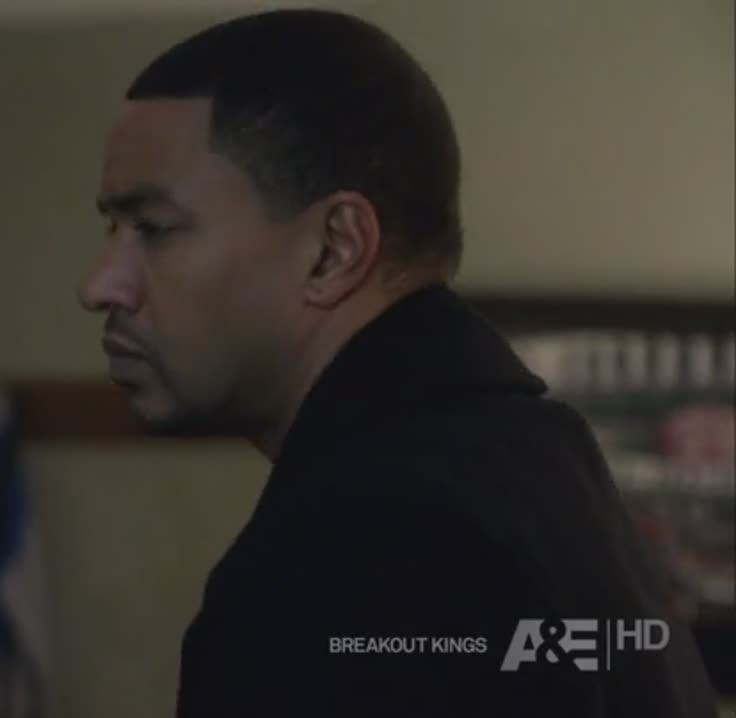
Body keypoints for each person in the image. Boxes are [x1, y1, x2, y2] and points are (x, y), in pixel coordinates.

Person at [76, 9, 720, 718]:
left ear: (334, 250)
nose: (99, 285)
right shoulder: (539, 464)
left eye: (153, 228)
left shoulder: (366, 548)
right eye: (113, 229)